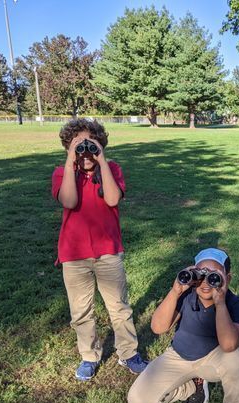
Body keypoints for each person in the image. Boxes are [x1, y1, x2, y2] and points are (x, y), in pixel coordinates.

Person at [52, 119, 148, 381]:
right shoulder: (62, 173)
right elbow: (69, 201)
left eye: (90, 145)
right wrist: (72, 160)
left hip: (108, 250)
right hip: (74, 254)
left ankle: (128, 352)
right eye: (78, 146)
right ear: (68, 149)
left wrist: (102, 160)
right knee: (81, 311)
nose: (85, 152)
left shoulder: (112, 169)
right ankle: (89, 355)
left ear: (100, 146)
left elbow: (113, 198)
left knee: (118, 306)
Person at [127, 248, 239, 403]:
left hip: (213, 358)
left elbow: (229, 345)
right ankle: (193, 387)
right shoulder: (186, 296)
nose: (205, 283)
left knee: (237, 360)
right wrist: (175, 291)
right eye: (200, 275)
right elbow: (158, 327)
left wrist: (220, 304)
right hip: (178, 356)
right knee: (138, 401)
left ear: (227, 278)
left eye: (214, 277)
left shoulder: (234, 304)